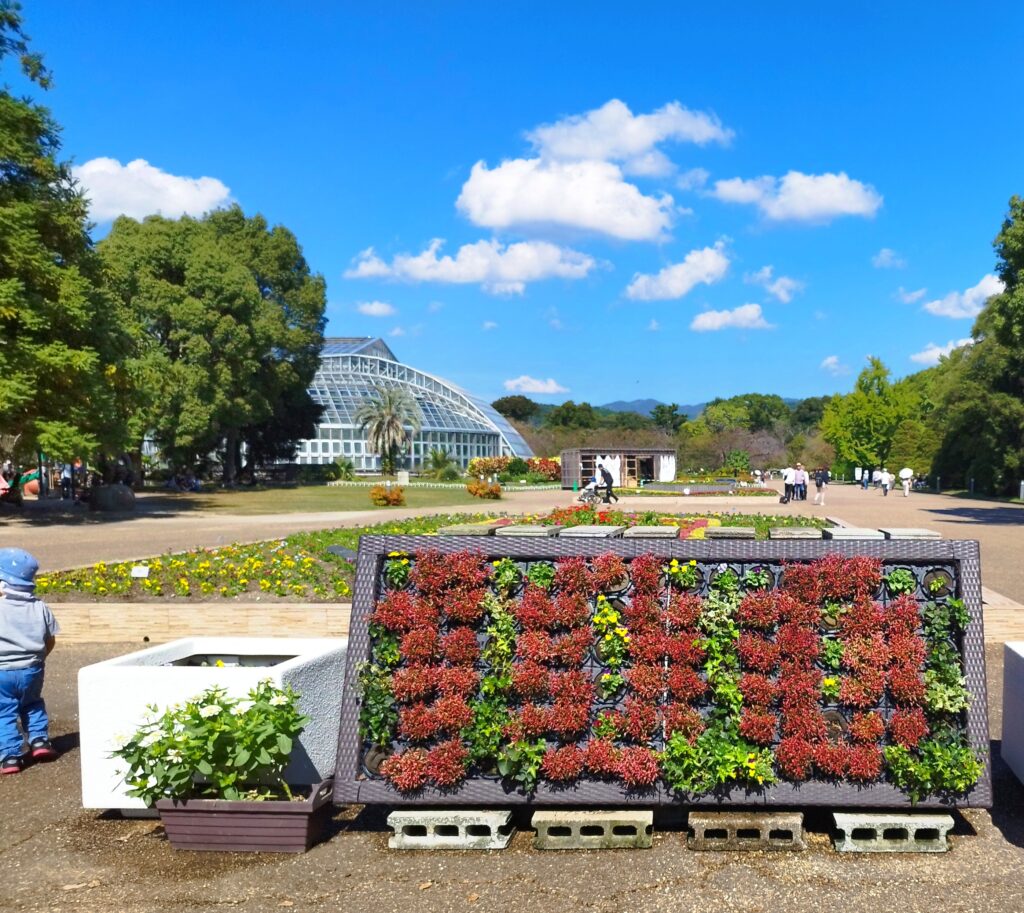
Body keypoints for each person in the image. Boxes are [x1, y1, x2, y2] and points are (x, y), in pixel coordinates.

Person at [0, 548, 60, 774]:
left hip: (2, 672)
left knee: (3, 712)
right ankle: (39, 742)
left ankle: (10, 756)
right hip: (32, 669)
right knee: (32, 703)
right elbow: (50, 639)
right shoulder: (39, 606)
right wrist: (39, 657)